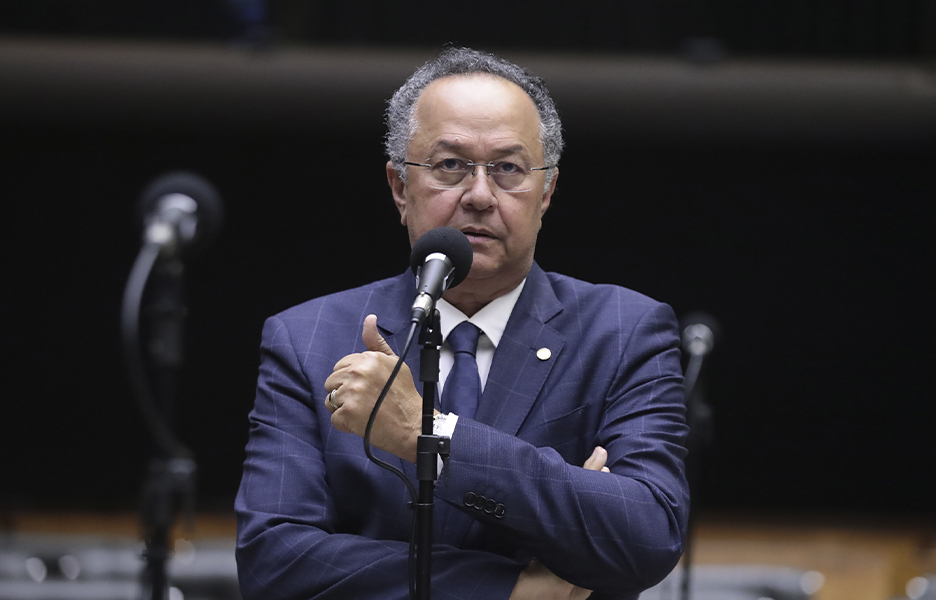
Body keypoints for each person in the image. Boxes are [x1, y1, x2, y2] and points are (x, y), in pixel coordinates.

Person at [235, 47, 689, 600]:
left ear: (545, 192)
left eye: (508, 169)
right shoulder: (307, 337)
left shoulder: (623, 331)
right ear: (401, 188)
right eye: (450, 165)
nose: (479, 195)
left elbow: (647, 535)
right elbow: (273, 563)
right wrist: (512, 589)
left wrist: (431, 434)